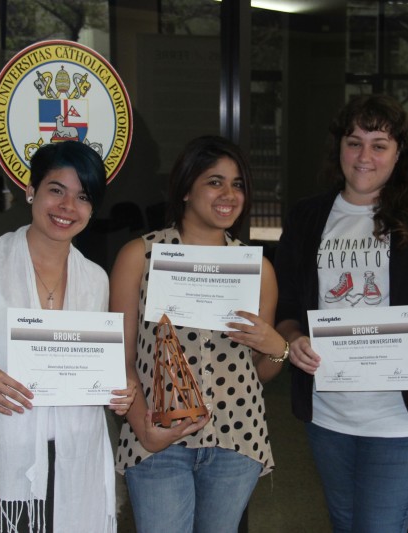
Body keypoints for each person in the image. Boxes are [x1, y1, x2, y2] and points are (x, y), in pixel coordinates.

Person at [274, 94, 408, 533]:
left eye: (379, 144)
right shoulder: (308, 216)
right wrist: (292, 338)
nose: (364, 156)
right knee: (345, 523)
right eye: (354, 142)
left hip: (401, 411)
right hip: (328, 408)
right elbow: (288, 306)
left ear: (400, 153)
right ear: (339, 147)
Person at [0, 140, 136, 533]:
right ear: (30, 191)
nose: (68, 207)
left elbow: (95, 364)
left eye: (82, 197)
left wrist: (121, 388)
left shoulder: (96, 279)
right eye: (56, 190)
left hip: (72, 459)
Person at [111, 135, 288, 533]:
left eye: (238, 184)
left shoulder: (256, 270)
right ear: (186, 189)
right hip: (159, 434)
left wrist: (278, 349)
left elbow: (260, 372)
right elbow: (118, 362)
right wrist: (143, 429)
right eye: (215, 181)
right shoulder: (140, 256)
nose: (229, 194)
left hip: (236, 437)